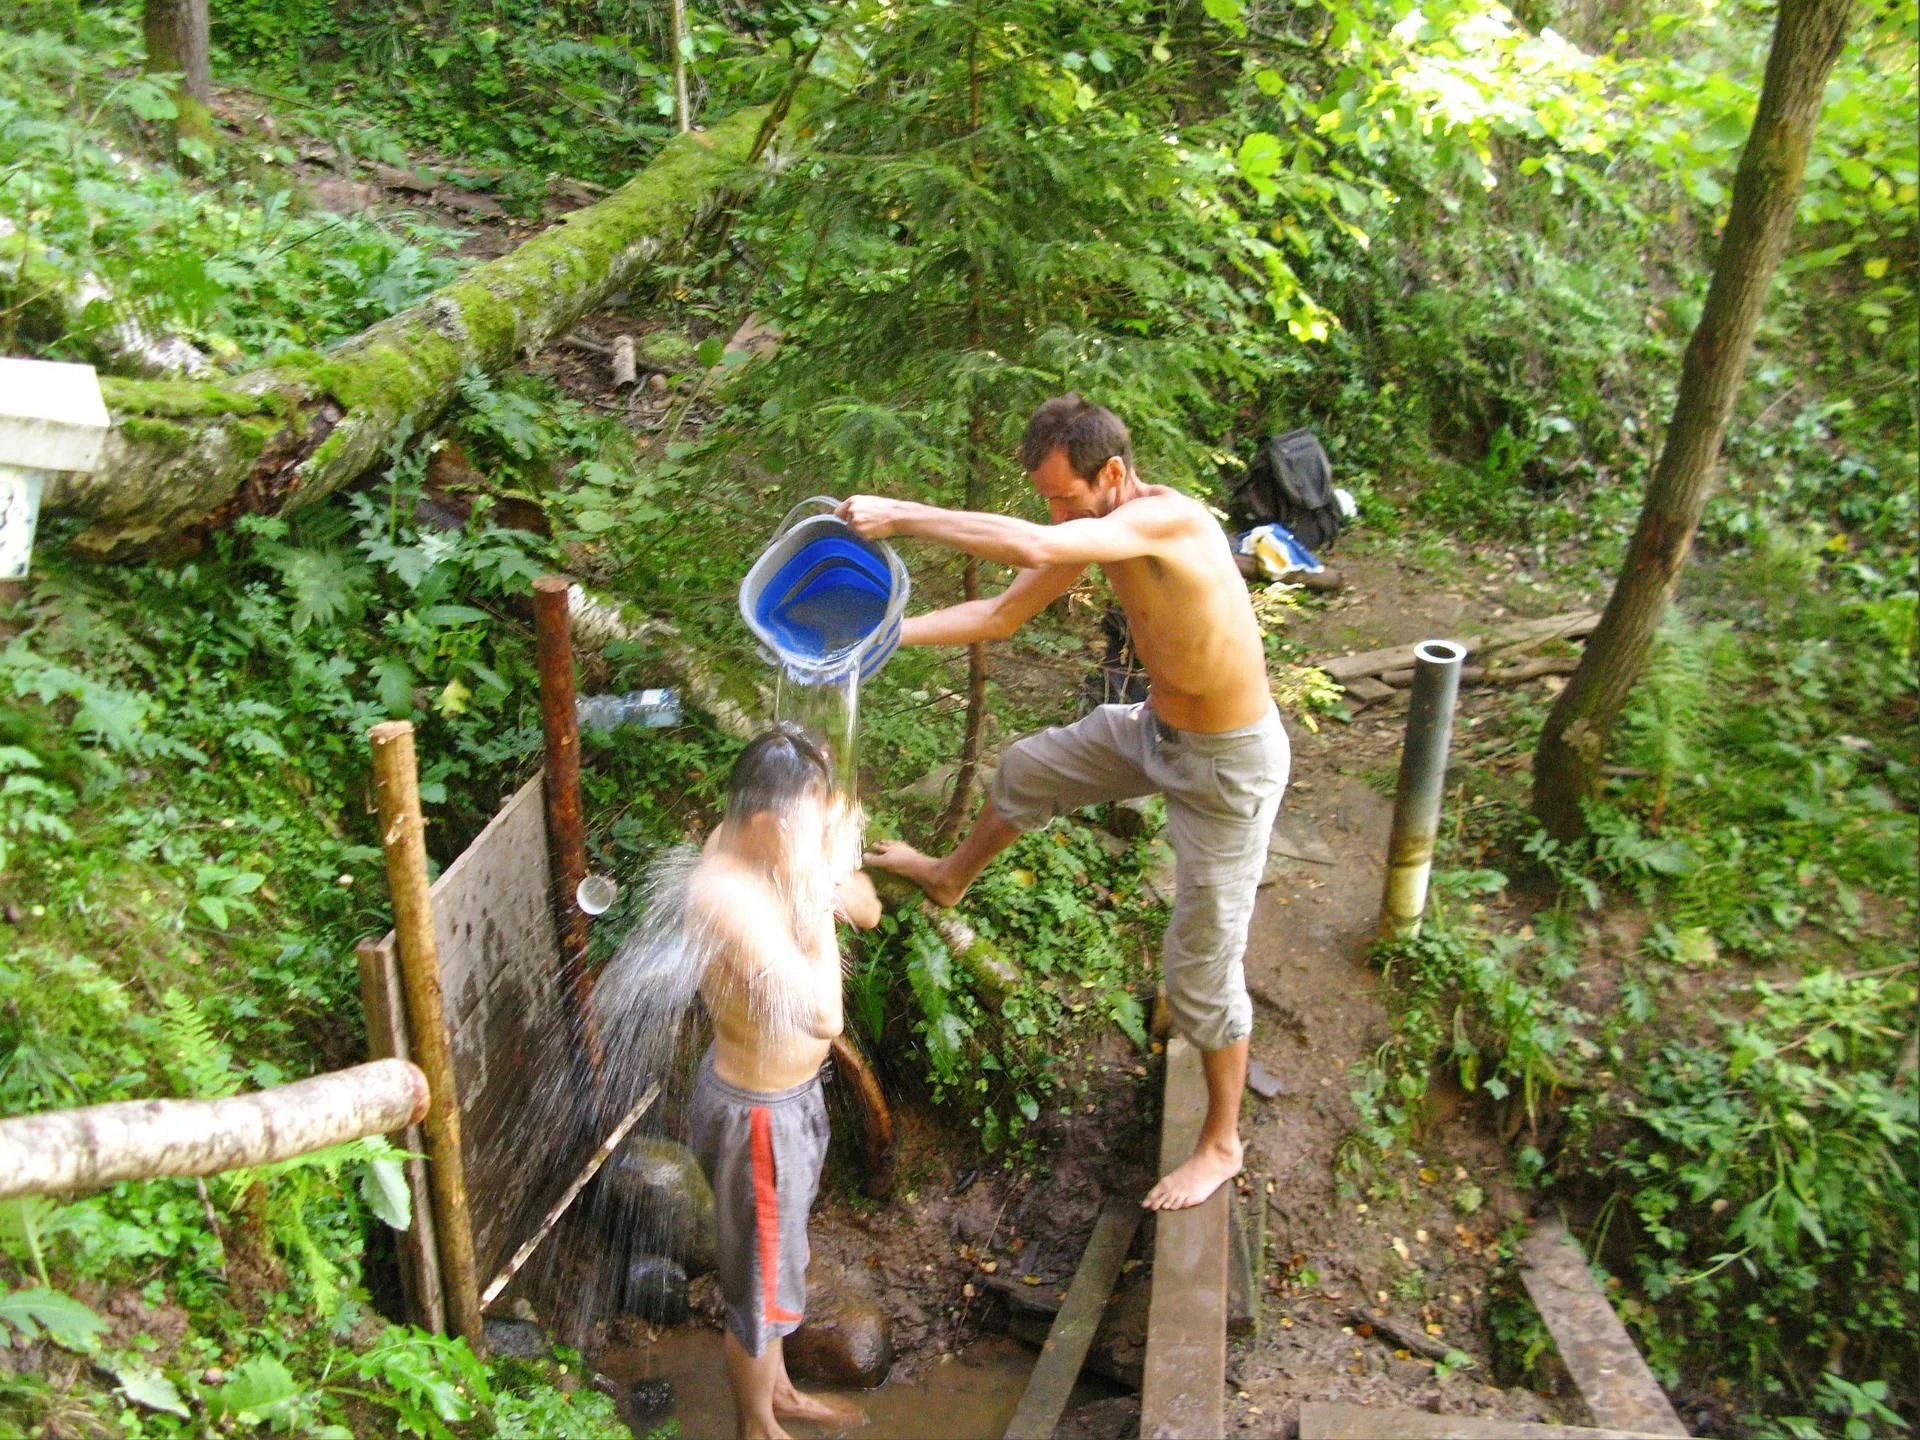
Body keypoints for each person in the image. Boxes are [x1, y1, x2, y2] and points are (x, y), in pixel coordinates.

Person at [838, 394, 1288, 1212]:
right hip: (1158, 730)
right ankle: (948, 878)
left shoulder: (1169, 523)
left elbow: (1037, 541)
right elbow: (1002, 614)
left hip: (1229, 767)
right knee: (1029, 769)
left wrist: (902, 514)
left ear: (1113, 474)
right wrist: (880, 637)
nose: (1055, 512)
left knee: (1197, 969)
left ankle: (1222, 1142)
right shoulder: (1094, 527)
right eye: (1046, 498)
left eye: (1065, 495)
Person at [686, 723, 880, 1440]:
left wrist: (824, 867)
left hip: (788, 1104)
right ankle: (755, 1427)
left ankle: (783, 1394)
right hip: (758, 1118)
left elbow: (869, 907)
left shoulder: (754, 835)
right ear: (768, 822)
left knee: (780, 1256)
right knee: (760, 1292)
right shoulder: (728, 896)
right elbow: (825, 1015)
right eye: (804, 823)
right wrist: (815, 896)